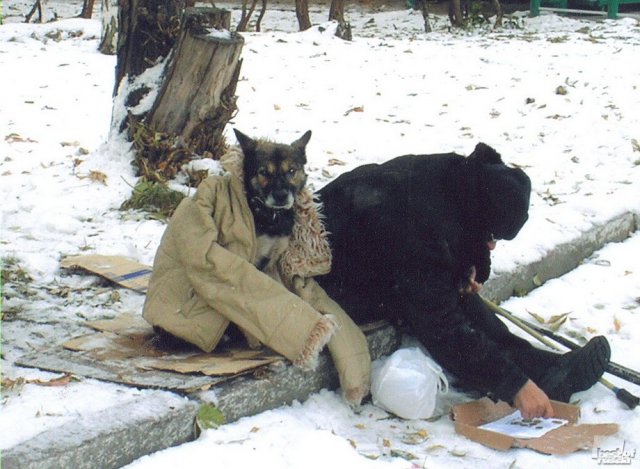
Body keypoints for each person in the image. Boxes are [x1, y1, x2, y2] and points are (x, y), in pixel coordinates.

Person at [315, 142, 610, 418]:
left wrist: (470, 267)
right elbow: (441, 324)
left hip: (372, 245)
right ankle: (528, 375)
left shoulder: (463, 177)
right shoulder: (418, 228)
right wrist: (513, 386)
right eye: (492, 236)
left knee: (449, 290)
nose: (492, 246)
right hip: (331, 275)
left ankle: (547, 370)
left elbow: (465, 232)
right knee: (445, 309)